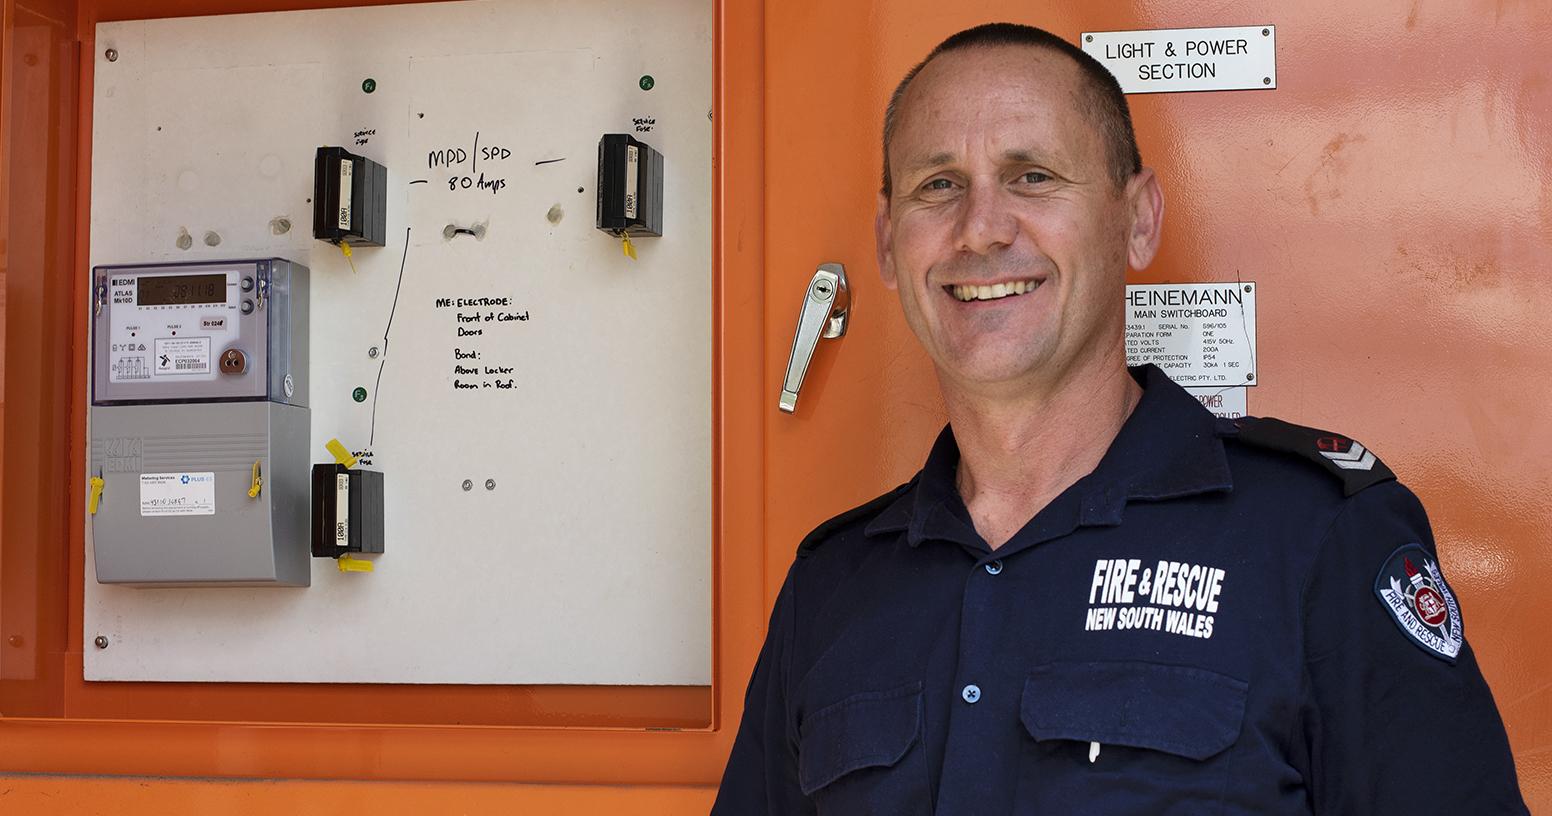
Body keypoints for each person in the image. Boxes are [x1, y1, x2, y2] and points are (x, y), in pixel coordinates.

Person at [711, 21, 1528, 816]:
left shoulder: (1318, 543)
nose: (981, 228)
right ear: (890, 245)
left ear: (1137, 220)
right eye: (938, 185)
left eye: (1032, 176)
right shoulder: (831, 588)